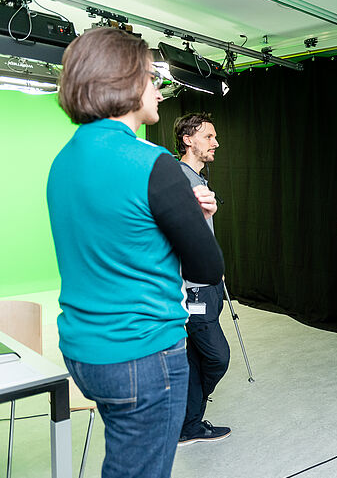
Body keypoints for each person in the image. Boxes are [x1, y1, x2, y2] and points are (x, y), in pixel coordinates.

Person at [47, 28, 224, 478]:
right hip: (142, 354)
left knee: (124, 459)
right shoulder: (153, 164)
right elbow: (207, 267)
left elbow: (115, 237)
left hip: (84, 351)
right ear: (126, 83)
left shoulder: (64, 160)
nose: (159, 89)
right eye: (152, 77)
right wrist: (197, 214)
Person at [173, 112, 232, 445]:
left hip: (208, 287)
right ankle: (187, 413)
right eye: (209, 136)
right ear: (188, 139)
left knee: (196, 355)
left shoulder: (197, 179)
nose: (215, 143)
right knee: (216, 356)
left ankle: (188, 423)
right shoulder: (180, 181)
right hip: (193, 291)